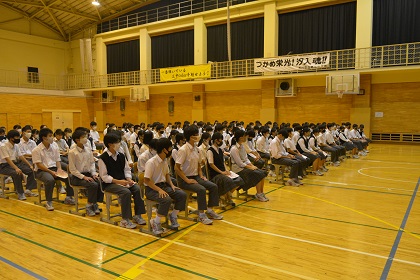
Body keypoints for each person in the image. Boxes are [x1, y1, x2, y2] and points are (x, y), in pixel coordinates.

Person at [175, 125, 222, 225]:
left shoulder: (196, 149)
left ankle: (209, 210)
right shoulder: (183, 150)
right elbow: (176, 168)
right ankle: (201, 215)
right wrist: (187, 180)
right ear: (190, 137)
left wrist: (201, 175)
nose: (198, 136)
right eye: (196, 135)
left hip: (196, 176)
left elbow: (198, 164)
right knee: (201, 189)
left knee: (213, 186)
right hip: (184, 179)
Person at [98, 133, 146, 229]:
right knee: (126, 192)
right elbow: (104, 177)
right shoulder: (103, 158)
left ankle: (138, 215)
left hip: (123, 181)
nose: (120, 144)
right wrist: (119, 182)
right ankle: (125, 219)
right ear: (110, 144)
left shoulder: (121, 155)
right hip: (109, 184)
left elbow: (126, 170)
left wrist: (128, 179)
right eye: (117, 142)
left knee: (137, 188)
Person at [144, 138, 187, 235]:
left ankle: (173, 216)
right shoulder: (151, 162)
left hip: (163, 186)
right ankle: (155, 222)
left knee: (181, 194)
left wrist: (172, 185)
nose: (171, 149)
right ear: (164, 149)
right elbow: (146, 180)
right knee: (166, 199)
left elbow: (167, 175)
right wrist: (159, 190)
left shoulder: (164, 161)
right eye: (170, 147)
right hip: (151, 189)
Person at [32, 128, 75, 211]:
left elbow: (57, 160)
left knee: (69, 176)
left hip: (54, 168)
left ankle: (69, 197)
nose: (52, 138)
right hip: (42, 171)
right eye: (50, 136)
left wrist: (59, 169)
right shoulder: (36, 150)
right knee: (50, 180)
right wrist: (51, 172)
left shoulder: (54, 147)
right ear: (44, 138)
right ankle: (49, 202)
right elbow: (39, 165)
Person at [68, 129, 101, 216]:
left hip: (88, 174)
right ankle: (89, 205)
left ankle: (95, 203)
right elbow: (72, 169)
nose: (86, 138)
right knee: (93, 184)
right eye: (83, 137)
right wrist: (83, 177)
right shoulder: (72, 152)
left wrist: (94, 173)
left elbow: (92, 163)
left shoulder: (88, 149)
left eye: (86, 136)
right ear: (77, 140)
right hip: (77, 177)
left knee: (100, 181)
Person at [230, 130, 268, 202]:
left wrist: (252, 165)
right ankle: (259, 194)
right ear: (241, 138)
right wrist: (250, 167)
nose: (246, 138)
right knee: (258, 174)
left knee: (262, 173)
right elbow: (240, 163)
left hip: (244, 167)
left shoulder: (242, 146)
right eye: (245, 136)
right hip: (238, 170)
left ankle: (260, 193)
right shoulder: (234, 149)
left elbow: (246, 159)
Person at [207, 132, 244, 206]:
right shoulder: (210, 151)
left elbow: (222, 162)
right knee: (228, 181)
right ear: (215, 140)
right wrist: (221, 172)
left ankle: (227, 196)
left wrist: (226, 170)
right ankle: (224, 198)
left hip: (223, 172)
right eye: (220, 140)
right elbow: (211, 164)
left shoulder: (220, 150)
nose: (221, 141)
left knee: (239, 180)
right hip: (215, 174)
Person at [0, 130, 37, 200]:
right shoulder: (3, 146)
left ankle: (28, 190)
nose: (18, 138)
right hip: (4, 166)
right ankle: (20, 193)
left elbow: (21, 157)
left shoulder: (16, 146)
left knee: (31, 171)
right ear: (11, 138)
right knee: (17, 173)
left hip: (15, 163)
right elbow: (8, 159)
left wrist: (30, 165)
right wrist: (16, 168)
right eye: (17, 137)